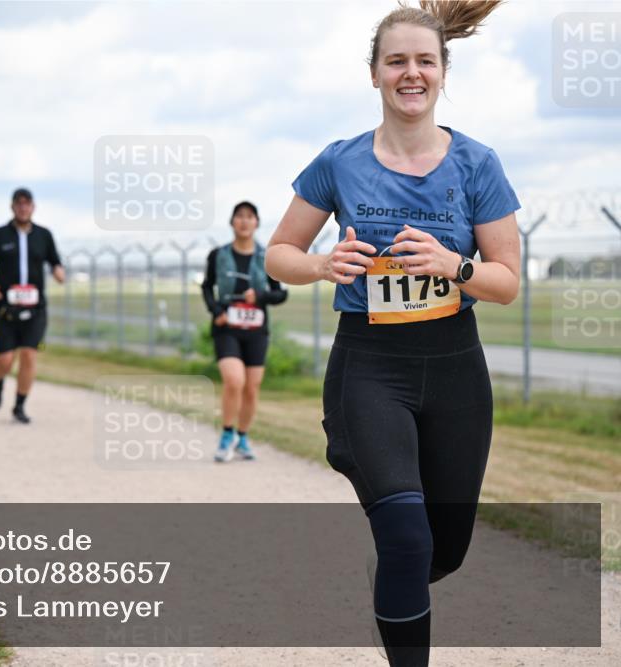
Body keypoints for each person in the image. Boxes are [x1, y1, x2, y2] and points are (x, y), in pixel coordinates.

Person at [264, 2, 520, 665]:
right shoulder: (340, 163)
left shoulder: (477, 164)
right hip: (370, 367)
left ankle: (396, 583)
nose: (412, 73)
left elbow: (507, 279)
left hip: (456, 366)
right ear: (375, 74)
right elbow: (278, 254)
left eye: (425, 61)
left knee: (444, 547)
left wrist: (454, 265)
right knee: (408, 537)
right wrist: (322, 264)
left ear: (442, 73)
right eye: (397, 61)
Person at [202, 201, 287, 462]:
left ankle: (243, 436)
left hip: (256, 330)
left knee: (252, 387)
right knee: (234, 380)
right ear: (232, 222)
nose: (244, 221)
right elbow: (207, 287)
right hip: (227, 327)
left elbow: (281, 293)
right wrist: (217, 312)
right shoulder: (218, 255)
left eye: (250, 216)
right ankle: (227, 434)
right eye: (239, 216)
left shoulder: (267, 256)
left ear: (257, 223)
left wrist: (259, 295)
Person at [0, 188, 65, 424]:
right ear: (12, 207)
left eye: (27, 204)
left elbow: (55, 262)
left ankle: (20, 405)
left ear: (33, 207)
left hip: (36, 308)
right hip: (6, 308)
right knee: (5, 359)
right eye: (19, 204)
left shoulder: (44, 235)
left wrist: (59, 272)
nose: (23, 208)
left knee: (28, 355)